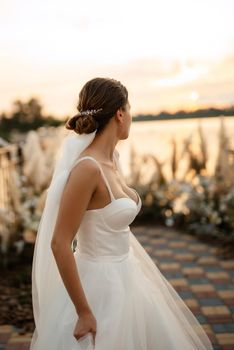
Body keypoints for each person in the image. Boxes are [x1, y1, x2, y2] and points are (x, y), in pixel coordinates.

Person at [30, 77, 213, 349]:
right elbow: (59, 243)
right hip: (97, 286)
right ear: (119, 114)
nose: (131, 117)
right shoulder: (87, 169)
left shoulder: (112, 160)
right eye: (130, 109)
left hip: (127, 274)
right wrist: (83, 311)